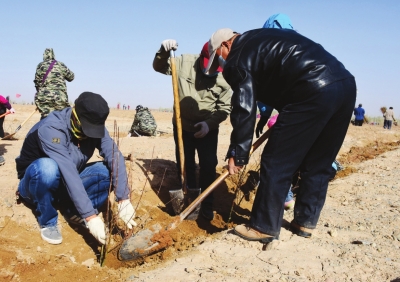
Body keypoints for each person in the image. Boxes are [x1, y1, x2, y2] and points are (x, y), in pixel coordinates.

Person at [205, 27, 356, 242]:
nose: (221, 66)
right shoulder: (262, 36)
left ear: (226, 45)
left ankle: (263, 226)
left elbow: (244, 107)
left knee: (276, 161)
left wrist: (238, 153)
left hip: (311, 90)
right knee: (319, 161)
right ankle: (305, 222)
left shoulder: (237, 58)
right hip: (344, 85)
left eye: (218, 58)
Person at [16, 92, 137, 245]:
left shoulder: (95, 124)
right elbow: (68, 171)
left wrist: (123, 198)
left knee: (106, 172)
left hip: (65, 181)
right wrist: (90, 217)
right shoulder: (52, 128)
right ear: (75, 115)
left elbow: (114, 156)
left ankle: (71, 211)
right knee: (47, 168)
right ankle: (48, 221)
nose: (89, 134)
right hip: (35, 184)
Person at [153, 39, 232, 220]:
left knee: (208, 165)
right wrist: (163, 51)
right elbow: (159, 67)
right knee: (185, 163)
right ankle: (188, 202)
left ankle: (207, 206)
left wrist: (209, 124)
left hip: (207, 128)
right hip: (182, 126)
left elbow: (224, 108)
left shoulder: (225, 77)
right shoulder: (184, 62)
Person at [34, 48, 75, 119]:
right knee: (61, 119)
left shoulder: (40, 66)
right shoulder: (60, 65)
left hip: (44, 98)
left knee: (45, 120)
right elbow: (71, 77)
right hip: (60, 99)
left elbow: (37, 83)